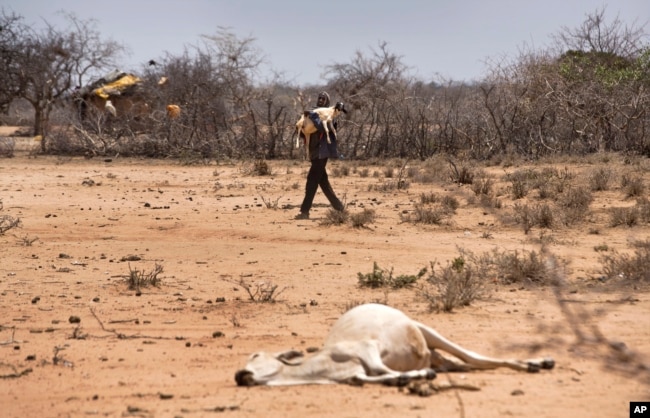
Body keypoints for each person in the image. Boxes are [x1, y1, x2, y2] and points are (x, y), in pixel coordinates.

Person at [295, 91, 344, 220]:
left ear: (327, 102)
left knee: (312, 180)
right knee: (323, 182)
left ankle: (304, 211)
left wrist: (313, 116)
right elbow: (302, 132)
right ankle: (339, 208)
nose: (321, 100)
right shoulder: (312, 113)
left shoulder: (328, 115)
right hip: (313, 153)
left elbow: (323, 128)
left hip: (322, 154)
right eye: (319, 97)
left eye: (323, 98)